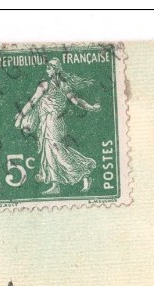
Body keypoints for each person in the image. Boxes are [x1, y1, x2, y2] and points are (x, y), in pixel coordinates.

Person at [14, 58, 101, 195]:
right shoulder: (56, 85)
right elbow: (34, 102)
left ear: (55, 70)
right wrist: (91, 107)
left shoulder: (52, 85)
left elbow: (33, 102)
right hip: (48, 121)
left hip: (54, 123)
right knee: (50, 151)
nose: (46, 70)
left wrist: (20, 117)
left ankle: (84, 173)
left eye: (49, 68)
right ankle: (56, 185)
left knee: (58, 152)